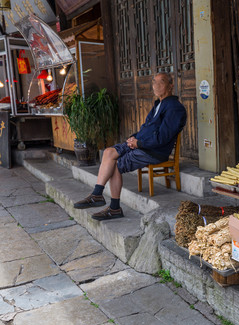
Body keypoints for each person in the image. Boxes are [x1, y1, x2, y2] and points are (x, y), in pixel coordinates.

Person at [73, 72, 187, 221]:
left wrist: (138, 143)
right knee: (108, 152)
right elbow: (146, 128)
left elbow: (162, 138)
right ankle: (97, 194)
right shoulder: (158, 104)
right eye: (154, 82)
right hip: (141, 144)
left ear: (171, 85)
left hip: (153, 151)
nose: (156, 85)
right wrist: (134, 138)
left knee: (115, 164)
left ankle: (113, 208)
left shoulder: (174, 108)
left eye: (162, 82)